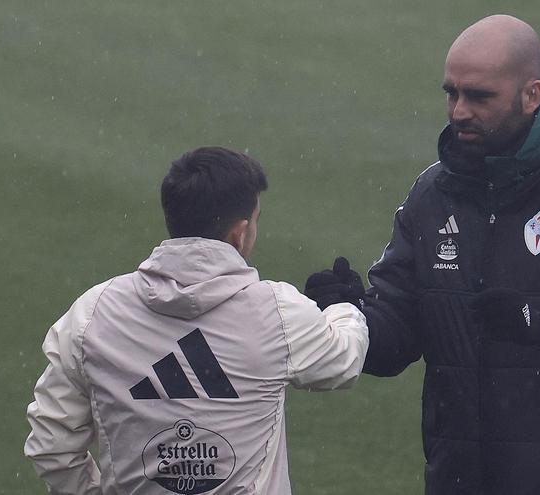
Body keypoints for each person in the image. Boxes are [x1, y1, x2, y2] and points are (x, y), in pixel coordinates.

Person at [304, 14, 540, 495]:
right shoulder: (433, 193)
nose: (459, 110)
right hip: (459, 480)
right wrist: (350, 314)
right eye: (451, 93)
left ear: (531, 96)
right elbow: (399, 337)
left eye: (479, 96)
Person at [25, 146, 369, 495]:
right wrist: (342, 306)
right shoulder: (278, 312)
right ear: (240, 232)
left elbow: (51, 445)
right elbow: (343, 361)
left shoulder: (92, 314)